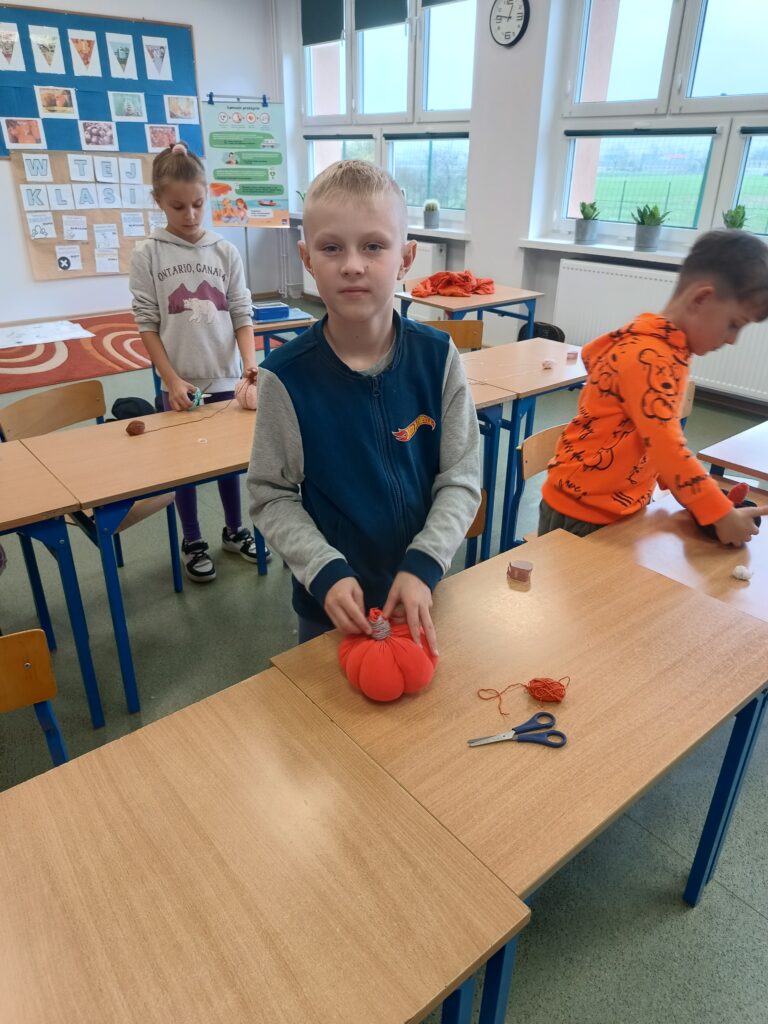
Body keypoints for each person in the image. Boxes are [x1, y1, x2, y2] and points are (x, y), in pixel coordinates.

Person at [246, 160, 481, 651]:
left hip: (422, 594)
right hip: (331, 610)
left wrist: (425, 562)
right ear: (307, 259)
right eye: (332, 248)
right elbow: (271, 493)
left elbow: (460, 477)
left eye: (373, 246)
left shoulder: (437, 358)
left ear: (406, 257)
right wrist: (323, 570)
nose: (352, 264)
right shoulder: (285, 377)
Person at [539, 230, 768, 546]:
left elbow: (651, 440)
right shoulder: (648, 358)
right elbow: (666, 446)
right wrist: (719, 514)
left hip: (618, 506)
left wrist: (699, 499)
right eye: (733, 324)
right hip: (584, 513)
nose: (732, 340)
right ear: (701, 299)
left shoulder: (670, 351)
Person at [130, 141, 261, 582]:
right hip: (179, 383)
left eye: (198, 204)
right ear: (158, 201)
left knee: (227, 463)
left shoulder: (225, 251)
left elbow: (241, 313)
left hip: (226, 378)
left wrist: (249, 364)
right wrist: (170, 380)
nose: (189, 215)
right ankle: (192, 539)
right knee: (183, 467)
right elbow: (147, 323)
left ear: (208, 196)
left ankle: (234, 529)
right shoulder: (148, 253)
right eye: (178, 206)